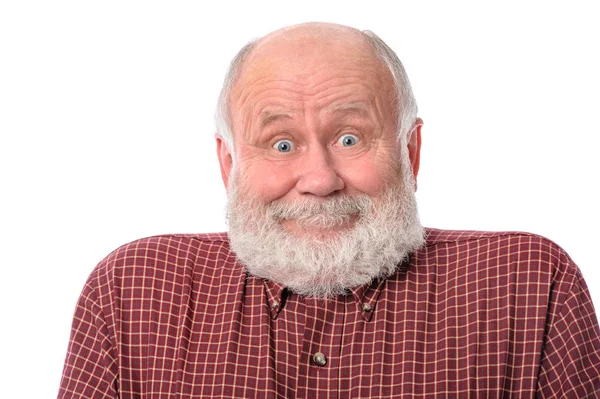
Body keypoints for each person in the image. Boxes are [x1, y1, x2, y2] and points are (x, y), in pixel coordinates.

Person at [58, 22, 600, 398]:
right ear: (228, 165)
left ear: (410, 152)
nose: (319, 180)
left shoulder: (529, 285)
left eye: (348, 138)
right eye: (281, 144)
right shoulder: (132, 291)